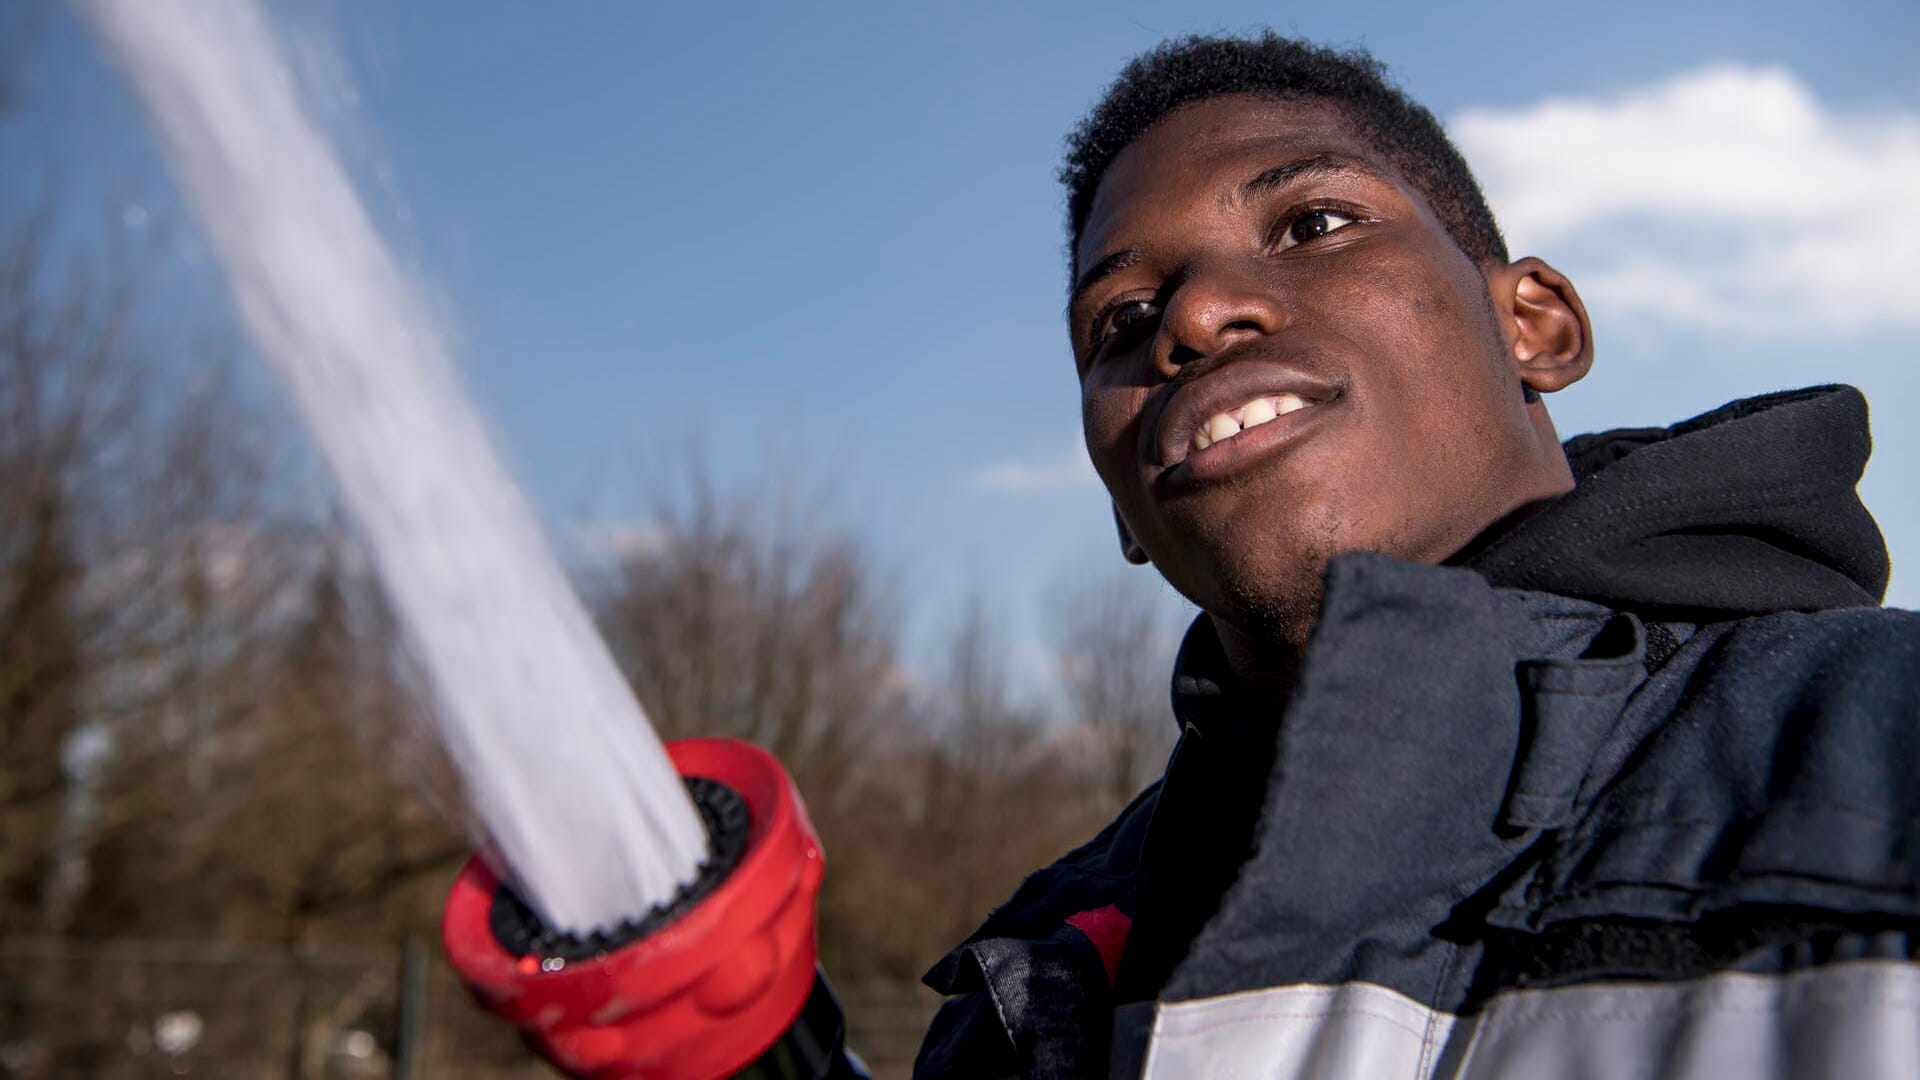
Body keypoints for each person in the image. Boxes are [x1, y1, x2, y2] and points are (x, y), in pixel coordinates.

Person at [912, 32, 1920, 1079]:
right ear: (1123, 505)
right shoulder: (1038, 971)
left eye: (1315, 223)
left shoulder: (1883, 737)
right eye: (1121, 318)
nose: (1194, 317)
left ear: (1535, 324)